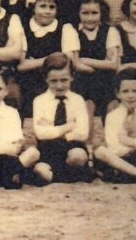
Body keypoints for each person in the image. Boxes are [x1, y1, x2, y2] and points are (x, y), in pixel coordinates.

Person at [16, 0, 80, 116]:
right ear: (34, 8)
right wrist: (52, 58)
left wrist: (34, 62)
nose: (47, 11)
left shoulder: (65, 29)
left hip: (57, 84)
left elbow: (68, 60)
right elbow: (21, 65)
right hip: (29, 84)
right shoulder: (23, 28)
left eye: (52, 7)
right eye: (43, 6)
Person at [30, 53, 93, 184]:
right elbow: (41, 134)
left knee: (78, 156)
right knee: (41, 170)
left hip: (73, 146)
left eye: (64, 80)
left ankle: (56, 176)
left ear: (72, 77)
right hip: (48, 149)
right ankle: (68, 176)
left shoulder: (77, 100)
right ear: (45, 79)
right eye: (54, 81)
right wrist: (69, 126)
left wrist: (52, 130)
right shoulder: (39, 101)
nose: (59, 86)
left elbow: (82, 134)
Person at [72, 0, 121, 130]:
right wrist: (101, 63)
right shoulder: (73, 31)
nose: (90, 18)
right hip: (82, 82)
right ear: (78, 13)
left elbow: (113, 64)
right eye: (85, 13)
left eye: (94, 13)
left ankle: (113, 144)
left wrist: (84, 60)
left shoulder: (110, 31)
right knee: (86, 106)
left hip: (106, 81)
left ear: (101, 13)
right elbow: (74, 63)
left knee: (112, 107)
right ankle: (87, 145)